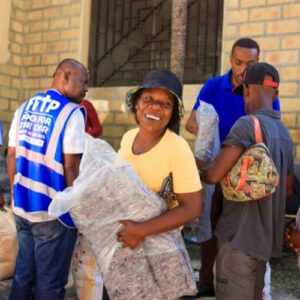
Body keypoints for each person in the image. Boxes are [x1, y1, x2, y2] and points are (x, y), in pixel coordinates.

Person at [185, 37, 280, 297]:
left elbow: (271, 126)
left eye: (250, 63)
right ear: (230, 60)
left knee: (240, 228)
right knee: (210, 222)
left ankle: (239, 280)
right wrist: (198, 123)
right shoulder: (213, 86)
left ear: (258, 62)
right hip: (218, 163)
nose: (243, 69)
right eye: (238, 63)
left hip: (251, 172)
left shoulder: (263, 89)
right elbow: (194, 120)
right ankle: (207, 279)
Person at [200, 62, 294, 299]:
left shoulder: (246, 125)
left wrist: (197, 164)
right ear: (276, 93)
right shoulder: (284, 134)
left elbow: (213, 174)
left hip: (238, 238)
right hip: (264, 245)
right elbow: (288, 190)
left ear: (247, 90)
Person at [7, 58, 88, 300]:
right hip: (54, 213)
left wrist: (15, 191)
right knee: (50, 284)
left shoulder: (23, 108)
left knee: (23, 276)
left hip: (22, 207)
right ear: (65, 76)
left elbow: (11, 155)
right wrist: (79, 206)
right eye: (83, 82)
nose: (86, 89)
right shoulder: (72, 113)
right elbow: (71, 166)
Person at [117, 69, 203, 255]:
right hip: (124, 239)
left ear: (172, 113)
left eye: (165, 104)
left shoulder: (177, 148)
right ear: (137, 103)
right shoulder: (128, 138)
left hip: (161, 248)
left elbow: (193, 207)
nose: (155, 107)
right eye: (148, 99)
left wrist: (140, 230)